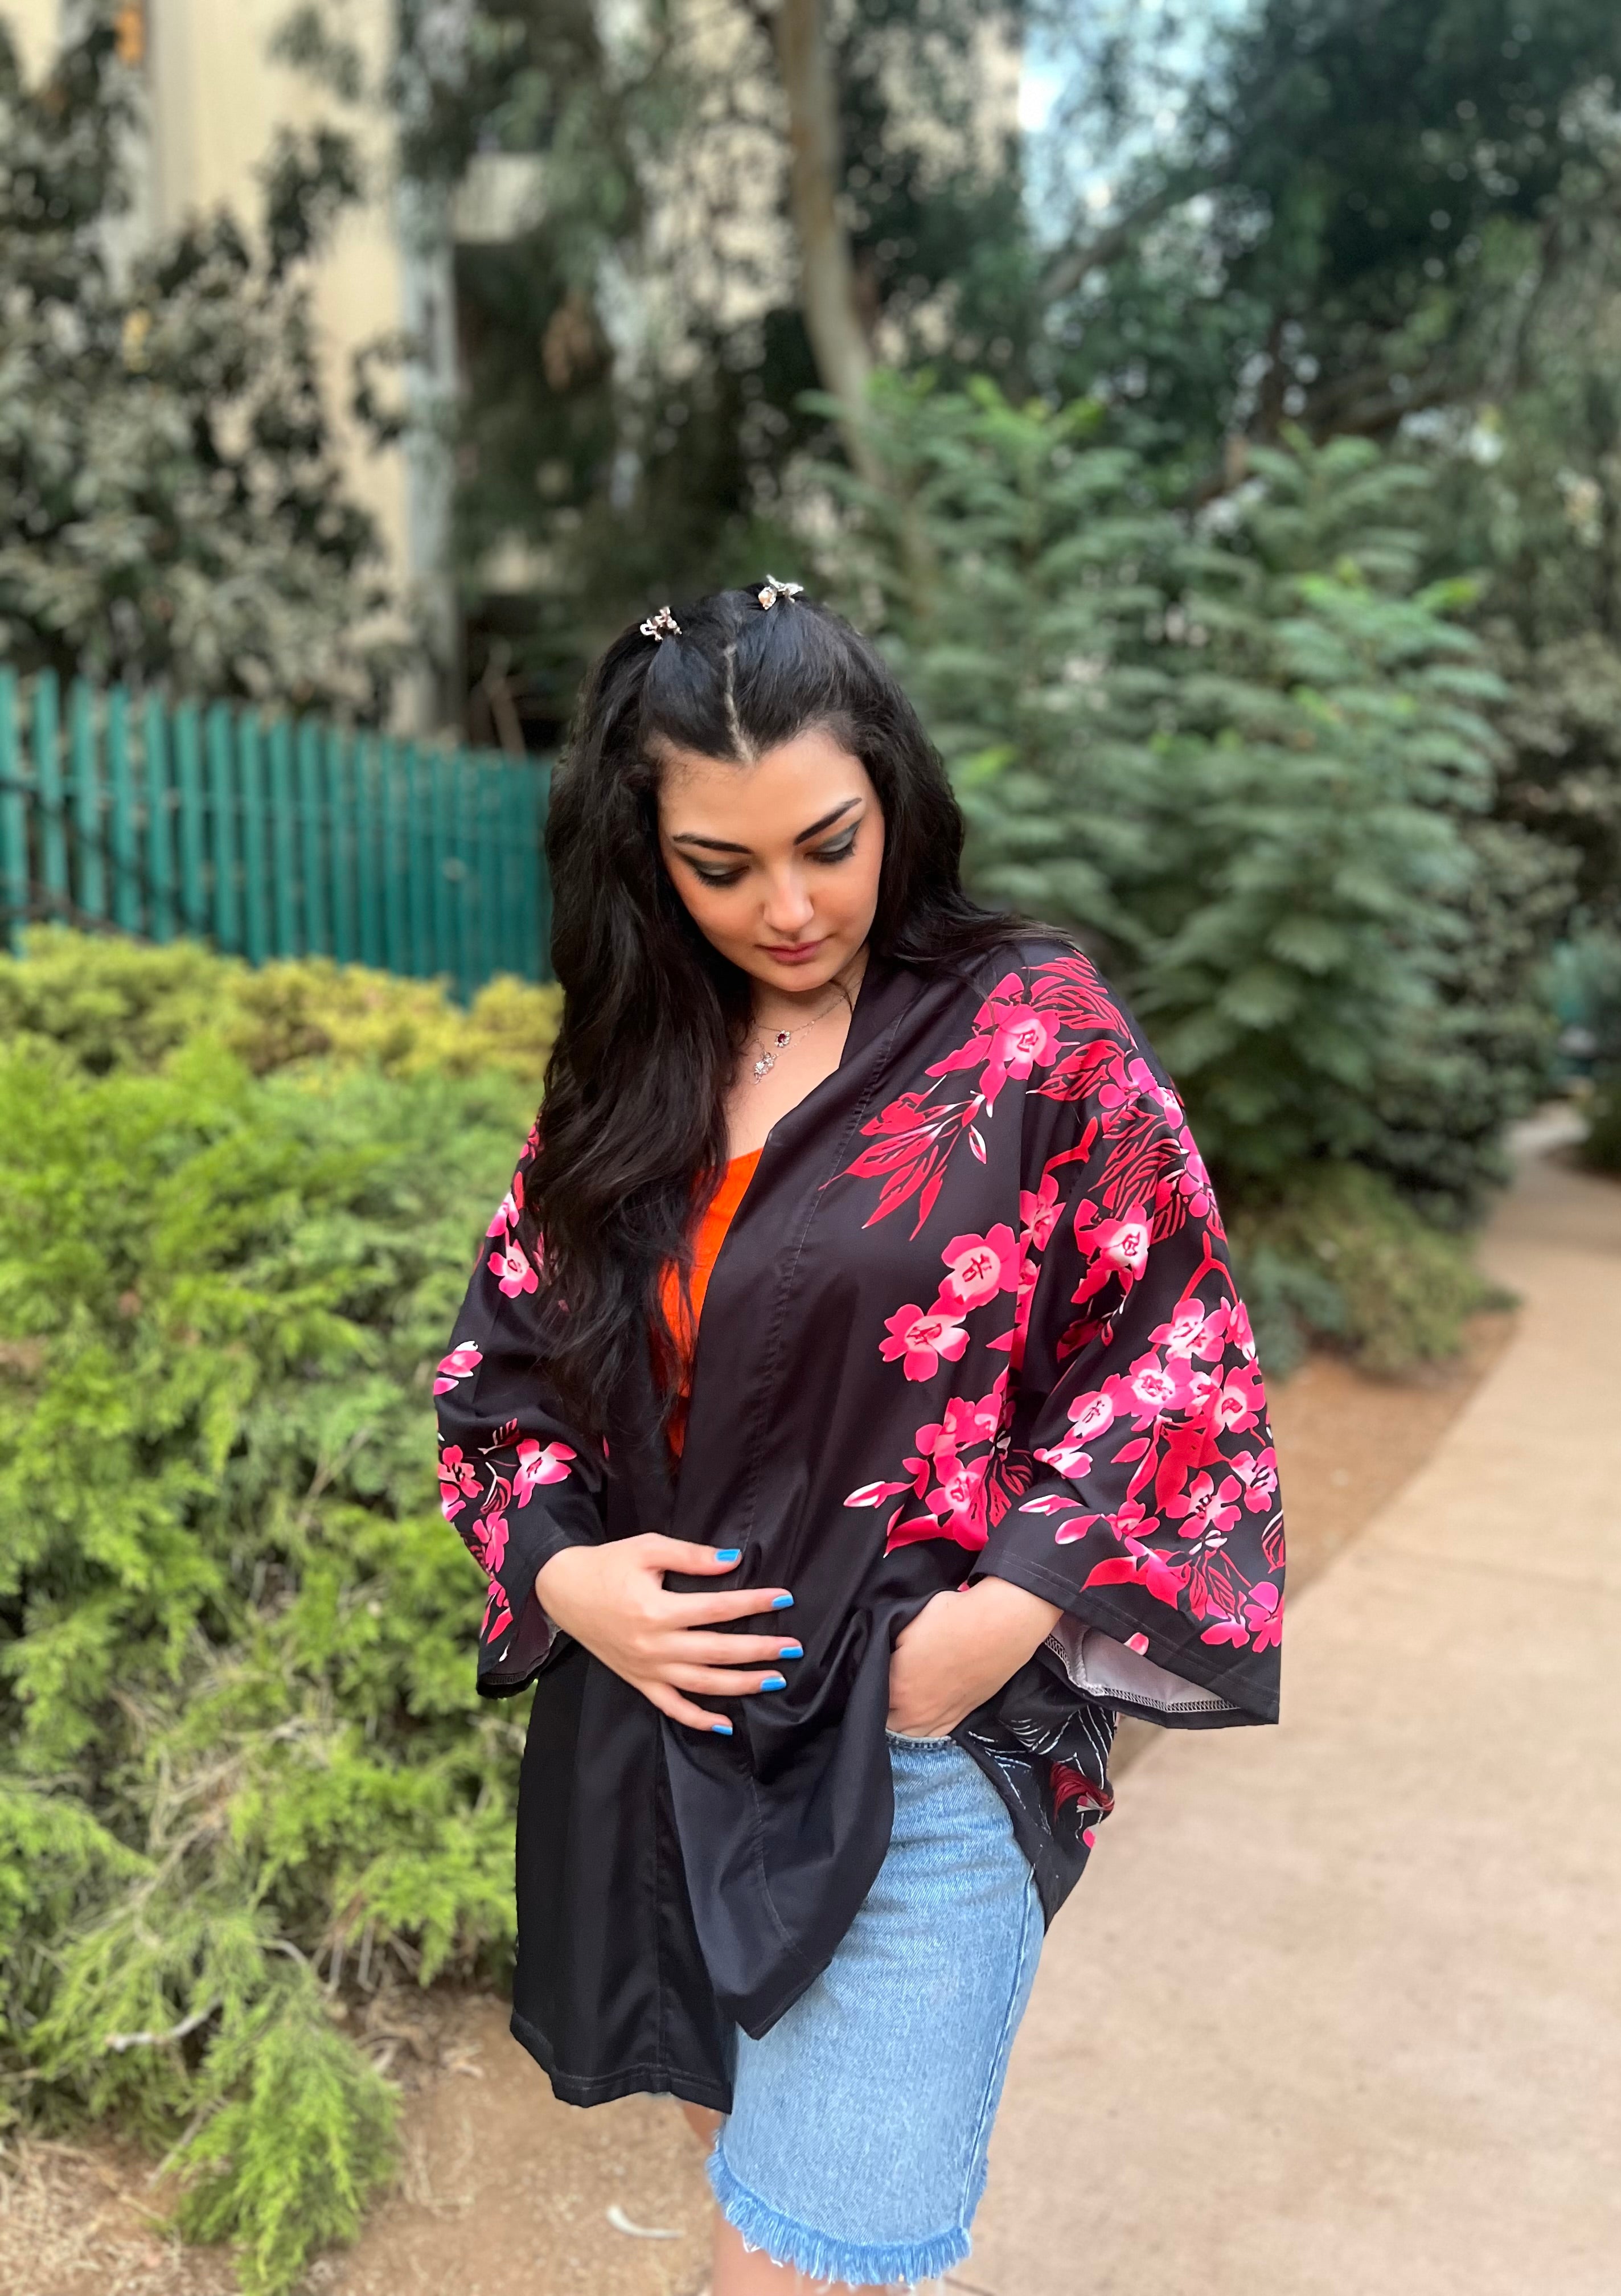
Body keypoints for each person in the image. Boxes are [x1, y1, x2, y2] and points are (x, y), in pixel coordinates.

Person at [434, 578, 1285, 2293]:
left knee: (806, 2259)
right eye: (721, 867)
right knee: (757, 2196)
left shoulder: (1030, 1027)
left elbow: (1176, 1338)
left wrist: (999, 1619)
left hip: (916, 1755)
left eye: (829, 843)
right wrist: (569, 1579)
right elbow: (503, 1374)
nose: (791, 907)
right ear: (646, 856)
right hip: (666, 1752)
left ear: (891, 789)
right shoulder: (629, 1066)